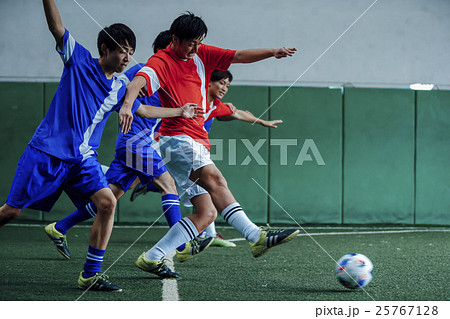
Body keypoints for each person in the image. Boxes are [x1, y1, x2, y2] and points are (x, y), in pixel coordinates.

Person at [0, 1, 192, 292]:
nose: (127, 56)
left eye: (130, 51)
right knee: (11, 213)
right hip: (46, 153)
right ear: (105, 49)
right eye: (121, 50)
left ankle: (90, 273)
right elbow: (57, 27)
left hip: (82, 160)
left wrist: (178, 112)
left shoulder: (119, 87)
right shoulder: (78, 60)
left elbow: (141, 111)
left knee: (107, 202)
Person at [119, 12, 300, 279]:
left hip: (193, 142)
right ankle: (255, 236)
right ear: (175, 38)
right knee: (216, 179)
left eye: (199, 42)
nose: (195, 48)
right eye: (190, 42)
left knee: (206, 213)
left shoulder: (202, 54)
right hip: (177, 139)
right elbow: (137, 82)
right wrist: (126, 106)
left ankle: (152, 257)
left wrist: (273, 51)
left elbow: (239, 56)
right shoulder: (162, 61)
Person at [44, 30, 207, 275]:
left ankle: (60, 227)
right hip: (134, 142)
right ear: (165, 51)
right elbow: (121, 89)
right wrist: (127, 104)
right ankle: (183, 244)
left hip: (136, 144)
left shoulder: (169, 77)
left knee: (111, 196)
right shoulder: (142, 70)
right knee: (168, 185)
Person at [132, 69, 283, 247]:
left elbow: (236, 113)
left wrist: (261, 121)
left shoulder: (214, 105)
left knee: (207, 205)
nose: (225, 88)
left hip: (183, 147)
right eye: (222, 83)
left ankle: (191, 242)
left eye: (228, 85)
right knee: (206, 183)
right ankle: (251, 235)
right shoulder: (193, 95)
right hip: (168, 144)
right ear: (208, 82)